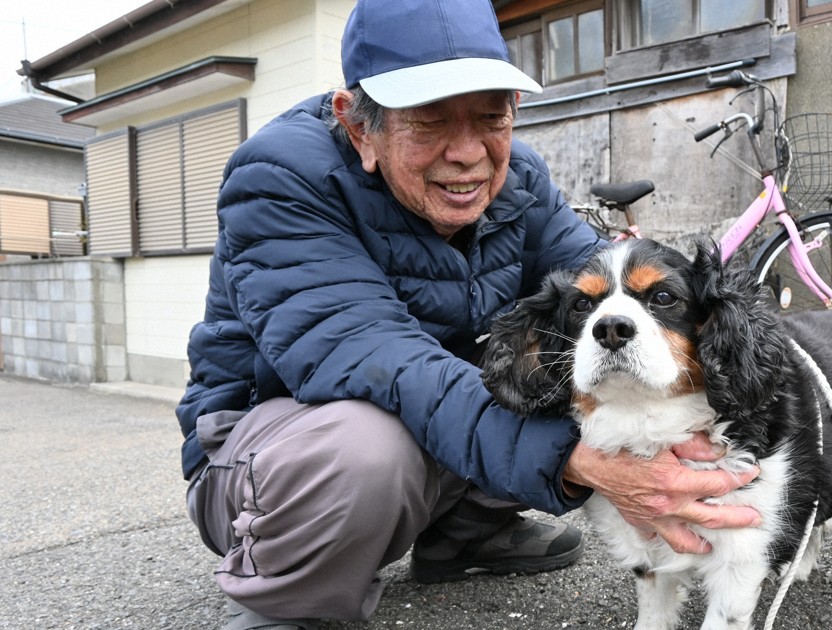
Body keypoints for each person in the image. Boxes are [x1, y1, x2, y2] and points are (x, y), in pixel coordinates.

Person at [176, 0, 762, 627]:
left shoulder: (521, 183)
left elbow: (598, 292)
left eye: (491, 118)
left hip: (427, 435)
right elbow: (375, 357)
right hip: (274, 461)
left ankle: (461, 535)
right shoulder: (280, 179)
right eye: (428, 123)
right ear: (358, 127)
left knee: (560, 362)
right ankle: (292, 602)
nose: (468, 154)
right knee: (367, 446)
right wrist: (580, 458)